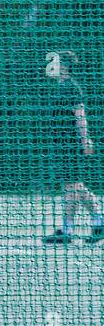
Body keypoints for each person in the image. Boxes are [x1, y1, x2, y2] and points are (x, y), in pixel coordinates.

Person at [42, 51, 103, 243]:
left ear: (65, 66)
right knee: (76, 186)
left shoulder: (71, 87)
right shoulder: (59, 87)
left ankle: (68, 230)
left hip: (71, 145)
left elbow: (80, 115)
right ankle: (99, 222)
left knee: (72, 186)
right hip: (61, 145)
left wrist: (86, 141)